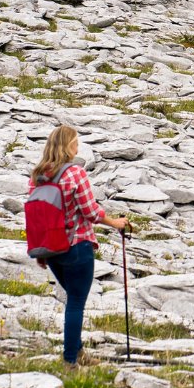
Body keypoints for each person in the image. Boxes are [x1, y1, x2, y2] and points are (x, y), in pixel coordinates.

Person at [29, 124, 129, 367]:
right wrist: (115, 222)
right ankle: (70, 360)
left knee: (73, 297)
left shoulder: (38, 176)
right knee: (76, 301)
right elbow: (90, 211)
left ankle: (78, 351)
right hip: (76, 245)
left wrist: (41, 252)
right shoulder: (75, 173)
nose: (78, 146)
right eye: (75, 141)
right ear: (68, 145)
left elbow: (36, 215)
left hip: (51, 249)